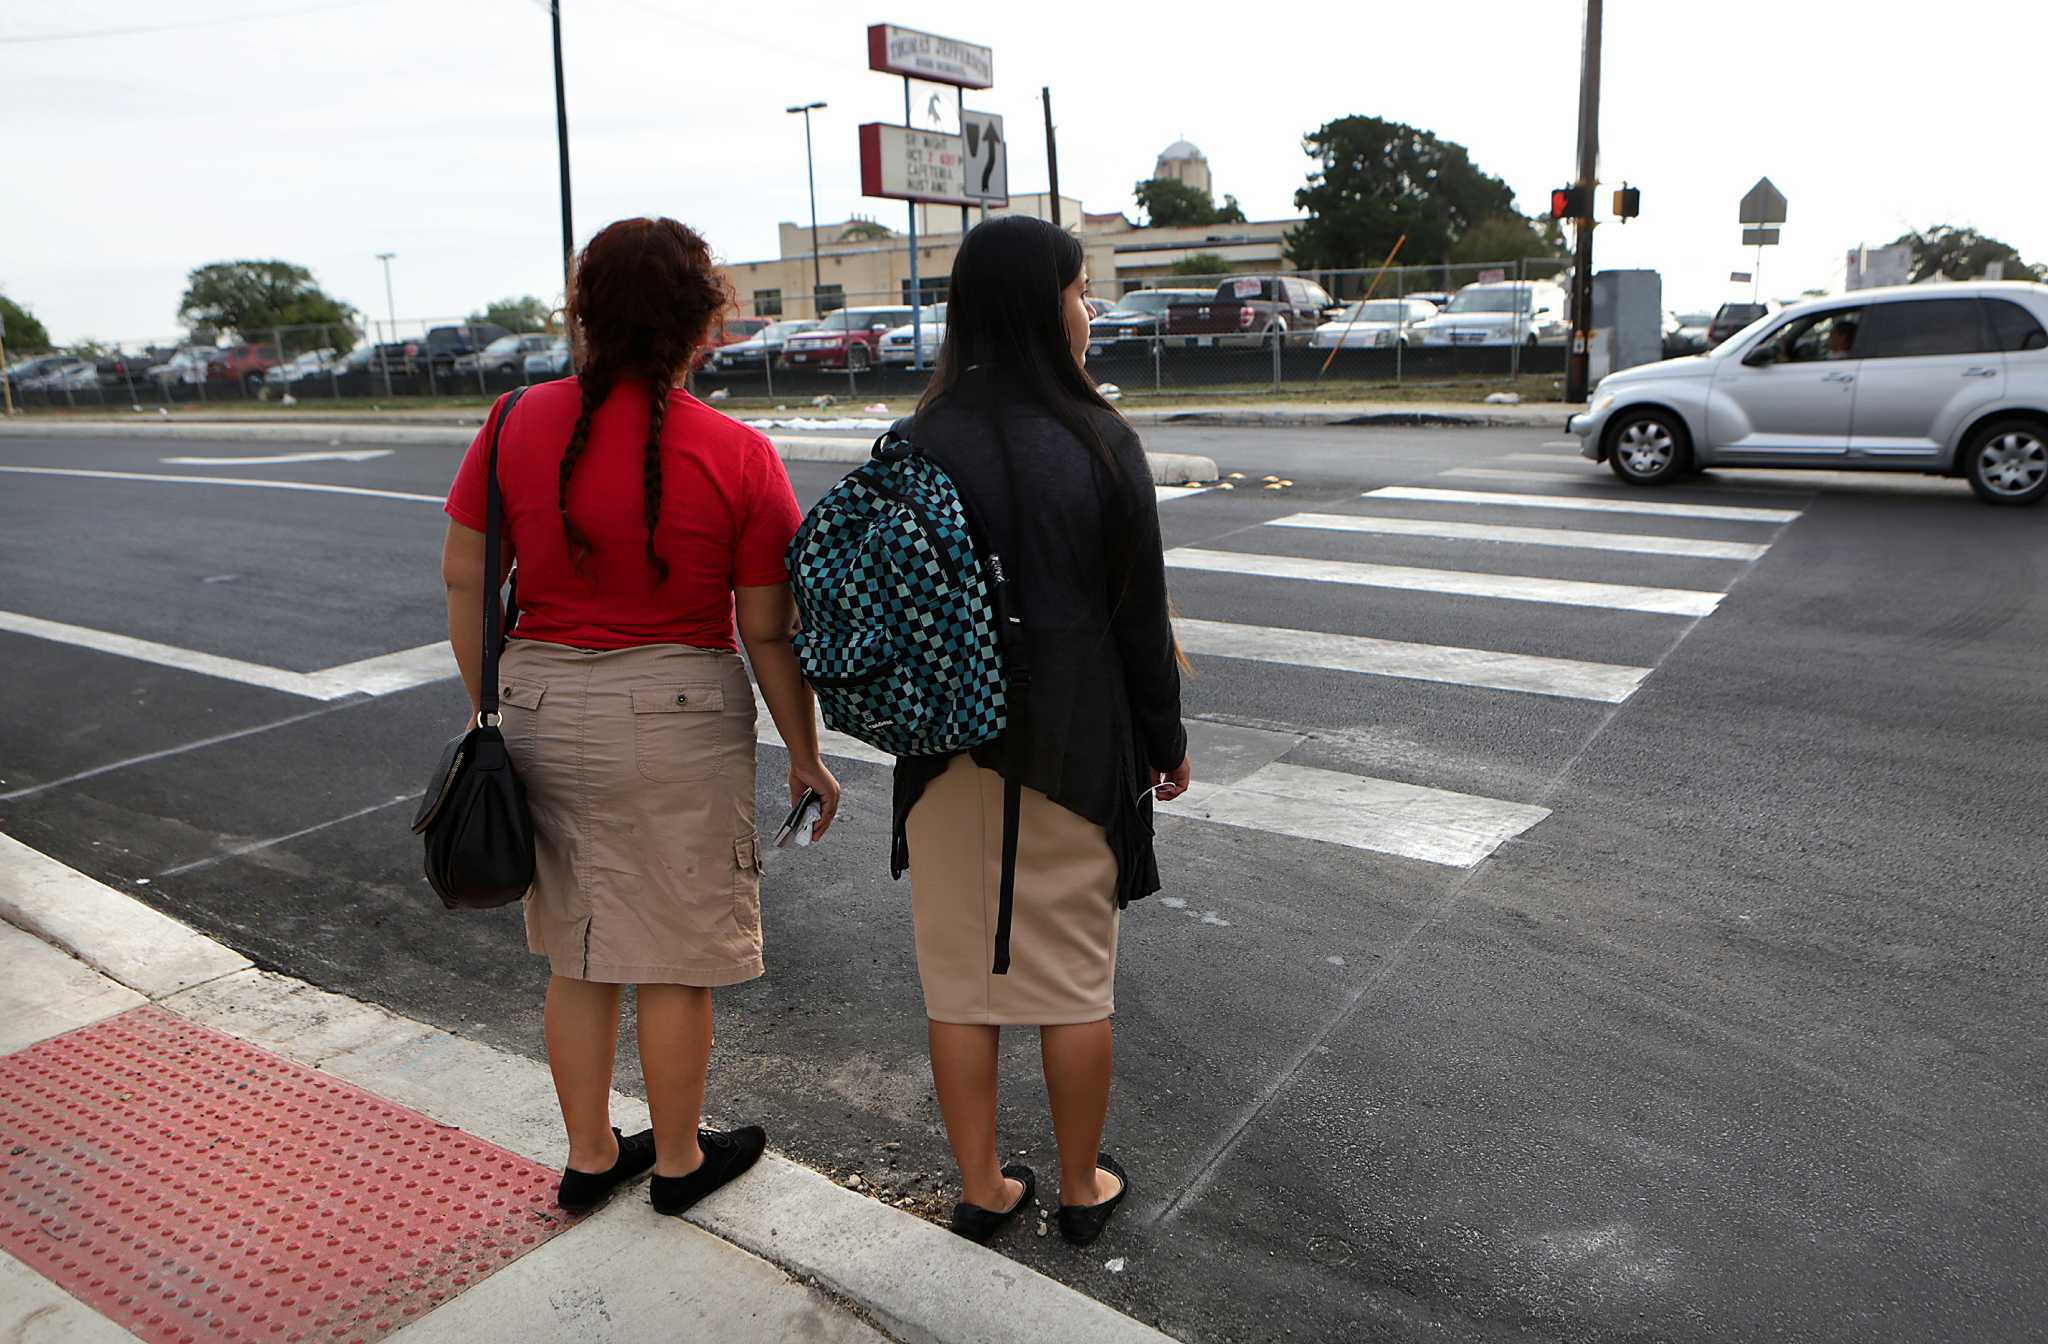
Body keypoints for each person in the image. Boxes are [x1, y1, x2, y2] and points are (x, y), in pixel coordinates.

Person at [439, 217, 840, 1218]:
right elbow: (766, 630)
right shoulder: (740, 455)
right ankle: (674, 1160)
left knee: (577, 951)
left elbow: (463, 579)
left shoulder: (511, 422)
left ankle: (586, 1157)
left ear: (585, 313)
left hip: (536, 701)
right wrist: (806, 752)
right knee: (674, 955)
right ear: (702, 324)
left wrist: (489, 707)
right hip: (676, 711)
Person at [891, 215, 1190, 1247]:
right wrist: (1165, 739)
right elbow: (1138, 621)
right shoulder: (1099, 440)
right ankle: (1078, 1186)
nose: (1088, 310)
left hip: (942, 756)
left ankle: (980, 1186)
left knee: (960, 984)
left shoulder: (915, 440)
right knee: (1070, 984)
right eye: (1079, 290)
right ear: (1042, 303)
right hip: (1072, 750)